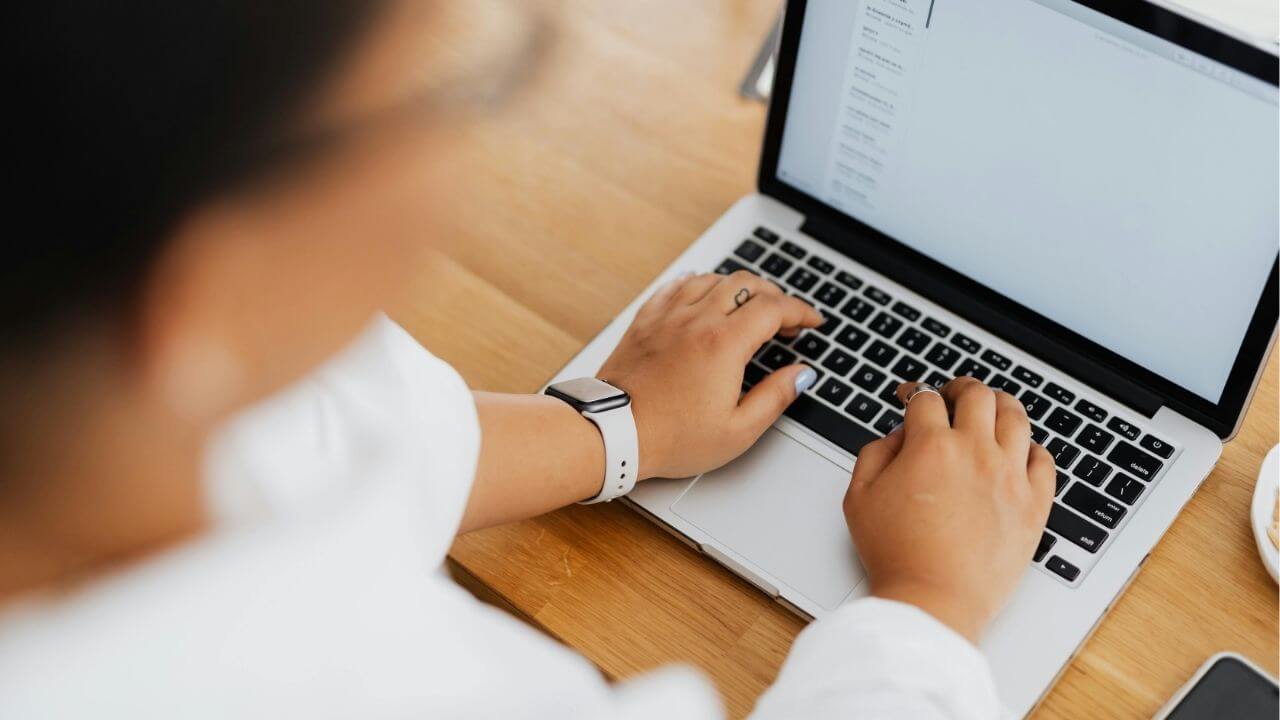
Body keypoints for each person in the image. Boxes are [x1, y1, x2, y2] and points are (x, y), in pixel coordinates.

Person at [2, 1, 1055, 717]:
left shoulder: (85, 414)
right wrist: (930, 602)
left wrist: (620, 428)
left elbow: (319, 434)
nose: (452, 158)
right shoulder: (352, 686)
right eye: (440, 94)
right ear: (200, 295)